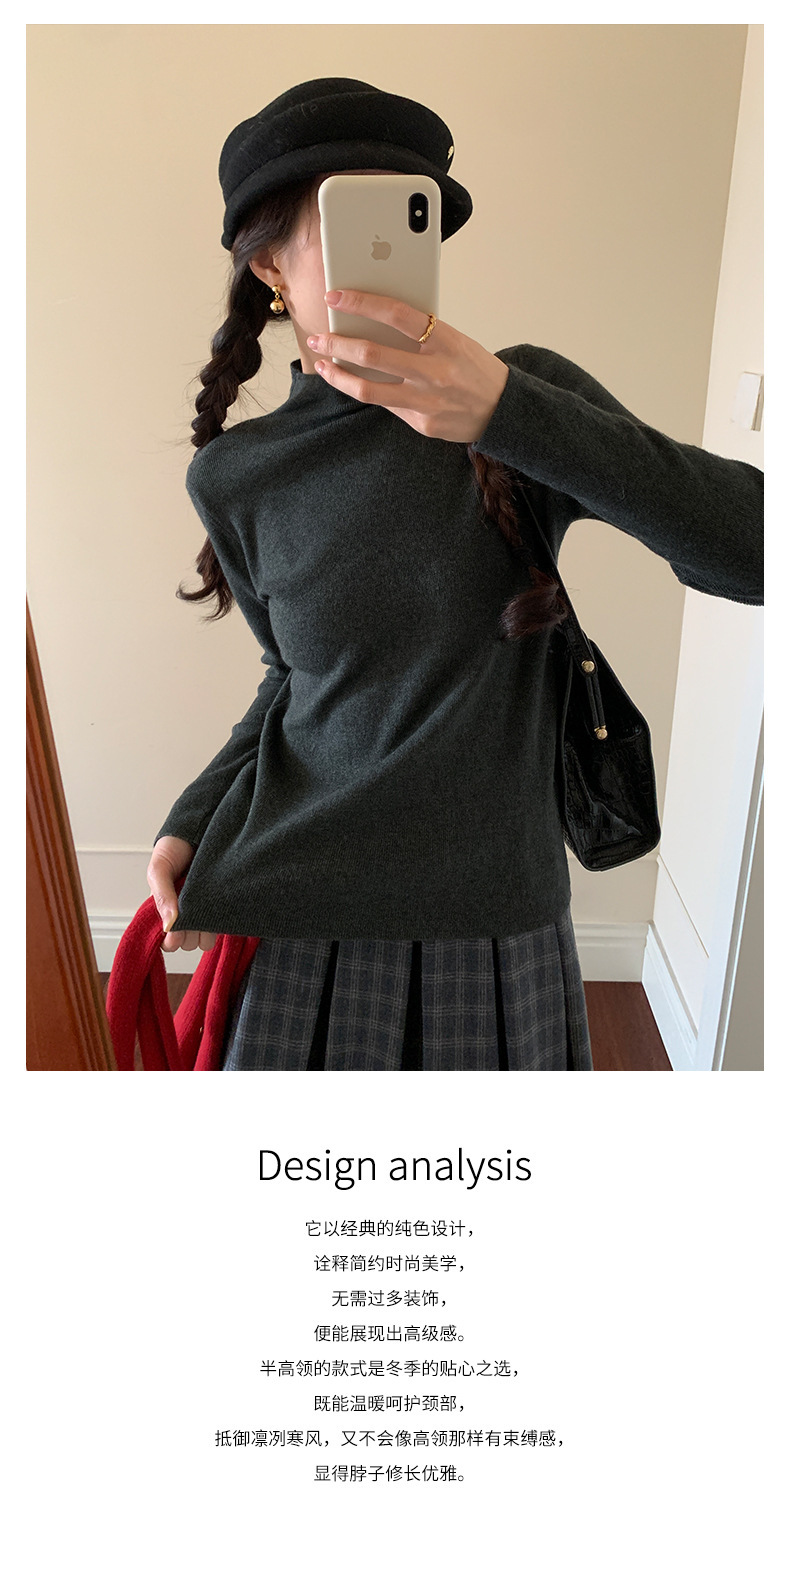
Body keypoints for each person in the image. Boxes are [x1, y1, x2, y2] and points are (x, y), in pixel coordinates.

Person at [145, 77, 763, 1072]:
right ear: (268, 261)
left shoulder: (525, 400)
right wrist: (193, 819)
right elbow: (292, 681)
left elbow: (754, 549)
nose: (392, 249)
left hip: (497, 925)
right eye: (352, 218)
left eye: (413, 215)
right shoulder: (236, 475)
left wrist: (508, 410)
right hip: (299, 911)